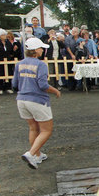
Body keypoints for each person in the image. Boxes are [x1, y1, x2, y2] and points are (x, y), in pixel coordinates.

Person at [12, 37, 61, 169]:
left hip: (21, 99)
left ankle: (37, 155)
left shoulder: (19, 64)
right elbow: (43, 85)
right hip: (37, 100)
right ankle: (31, 153)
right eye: (41, 48)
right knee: (46, 130)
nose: (43, 50)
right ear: (37, 50)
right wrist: (55, 90)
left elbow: (14, 84)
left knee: (33, 128)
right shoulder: (40, 65)